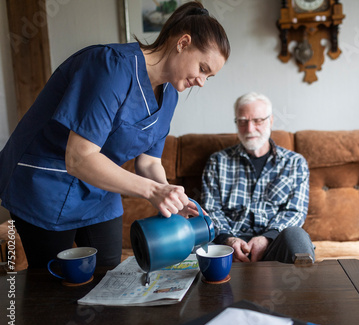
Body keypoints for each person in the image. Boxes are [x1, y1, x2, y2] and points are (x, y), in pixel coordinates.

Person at [0, 2, 230, 268]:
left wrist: (170, 194)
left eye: (209, 77)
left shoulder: (169, 97)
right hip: (47, 184)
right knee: (57, 288)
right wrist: (153, 191)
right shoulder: (110, 66)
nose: (201, 82)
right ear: (183, 42)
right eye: (202, 68)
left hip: (101, 190)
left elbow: (149, 162)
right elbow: (78, 158)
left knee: (110, 276)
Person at [201, 92, 315, 263]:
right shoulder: (218, 161)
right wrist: (229, 240)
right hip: (229, 248)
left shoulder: (294, 163)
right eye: (243, 121)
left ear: (270, 120)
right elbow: (210, 210)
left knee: (296, 235)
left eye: (257, 121)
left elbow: (295, 211)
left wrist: (267, 239)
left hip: (274, 245)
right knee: (196, 241)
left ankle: (305, 289)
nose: (249, 129)